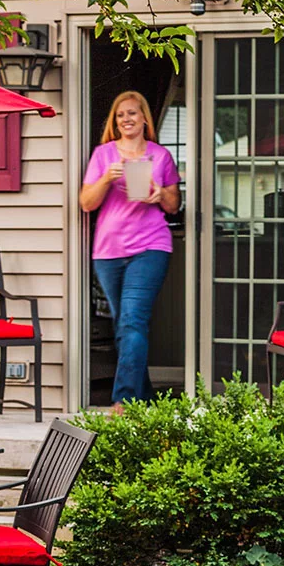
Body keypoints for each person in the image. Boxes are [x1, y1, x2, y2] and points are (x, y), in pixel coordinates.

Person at [80, 90, 181, 409]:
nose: (127, 119)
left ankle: (123, 401)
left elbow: (174, 205)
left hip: (150, 246)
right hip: (108, 251)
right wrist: (106, 180)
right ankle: (145, 399)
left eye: (133, 113)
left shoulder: (160, 156)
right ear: (115, 120)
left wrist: (158, 193)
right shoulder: (103, 155)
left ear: (144, 119)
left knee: (133, 320)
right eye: (121, 114)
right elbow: (86, 203)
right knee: (125, 324)